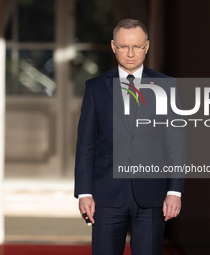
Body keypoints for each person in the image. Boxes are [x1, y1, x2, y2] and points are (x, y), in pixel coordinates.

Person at [74, 18, 186, 255]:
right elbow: (85, 144)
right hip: (106, 194)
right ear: (114, 46)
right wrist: (84, 192)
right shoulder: (95, 88)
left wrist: (174, 192)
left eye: (137, 46)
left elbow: (176, 143)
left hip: (152, 194)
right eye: (124, 46)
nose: (131, 53)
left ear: (147, 46)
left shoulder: (167, 87)